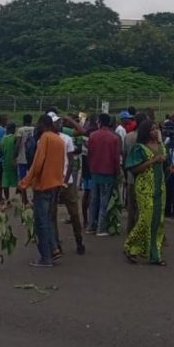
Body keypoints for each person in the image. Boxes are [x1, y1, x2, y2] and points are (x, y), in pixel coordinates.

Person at [19, 115, 65, 268]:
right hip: (55, 184)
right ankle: (53, 249)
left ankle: (45, 257)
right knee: (48, 219)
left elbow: (37, 163)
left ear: (42, 124)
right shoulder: (59, 139)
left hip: (43, 185)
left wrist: (25, 182)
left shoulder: (45, 138)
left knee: (41, 222)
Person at [123, 120, 167, 265]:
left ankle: (155, 254)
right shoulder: (139, 148)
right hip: (144, 187)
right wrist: (153, 161)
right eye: (152, 129)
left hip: (159, 187)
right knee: (146, 218)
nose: (155, 132)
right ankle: (131, 247)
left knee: (158, 220)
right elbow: (133, 168)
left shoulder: (161, 147)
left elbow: (165, 165)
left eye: (157, 129)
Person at [53, 114, 86, 258]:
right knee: (52, 214)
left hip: (66, 180)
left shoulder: (65, 137)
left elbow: (71, 162)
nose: (59, 124)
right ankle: (56, 244)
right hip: (55, 181)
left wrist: (65, 180)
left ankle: (79, 240)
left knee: (73, 213)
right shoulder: (46, 138)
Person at [86, 113, 122, 235]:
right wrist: (117, 172)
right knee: (104, 201)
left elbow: (89, 153)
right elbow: (116, 158)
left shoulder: (92, 136)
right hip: (108, 173)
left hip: (95, 171)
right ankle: (101, 228)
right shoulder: (114, 138)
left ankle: (91, 225)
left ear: (99, 122)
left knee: (93, 200)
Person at [15, 115, 35, 202]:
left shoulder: (20, 130)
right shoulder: (34, 129)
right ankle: (35, 198)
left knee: (23, 180)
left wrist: (14, 155)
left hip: (22, 158)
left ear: (23, 120)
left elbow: (18, 144)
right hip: (32, 159)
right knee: (34, 179)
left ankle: (24, 199)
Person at [0, 123, 19, 198]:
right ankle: (19, 198)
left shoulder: (3, 139)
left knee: (5, 182)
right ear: (13, 129)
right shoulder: (15, 138)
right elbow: (18, 148)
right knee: (18, 179)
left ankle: (7, 200)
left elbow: (1, 151)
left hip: (5, 162)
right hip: (14, 162)